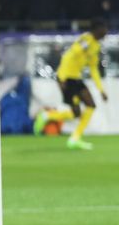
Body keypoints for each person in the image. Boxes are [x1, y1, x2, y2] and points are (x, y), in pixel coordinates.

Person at [33, 18, 109, 150]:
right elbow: (68, 56)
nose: (106, 32)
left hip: (76, 78)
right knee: (76, 112)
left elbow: (93, 68)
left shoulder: (96, 46)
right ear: (96, 30)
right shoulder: (86, 40)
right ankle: (47, 116)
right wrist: (61, 78)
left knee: (90, 106)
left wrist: (101, 89)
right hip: (66, 78)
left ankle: (74, 137)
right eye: (103, 29)